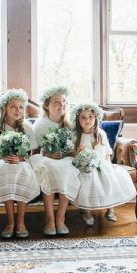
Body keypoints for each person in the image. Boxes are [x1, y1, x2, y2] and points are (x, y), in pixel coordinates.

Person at [0, 89, 40, 239]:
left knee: (22, 171)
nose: (17, 110)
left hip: (21, 161)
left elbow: (33, 153)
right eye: (13, 106)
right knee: (5, 171)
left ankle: (21, 222)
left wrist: (20, 159)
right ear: (4, 108)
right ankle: (10, 221)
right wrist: (1, 157)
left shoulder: (27, 127)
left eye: (21, 107)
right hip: (0, 161)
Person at [71, 103, 137, 225]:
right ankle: (85, 209)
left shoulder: (100, 133)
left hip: (101, 163)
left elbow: (107, 152)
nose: (87, 120)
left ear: (96, 118)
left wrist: (106, 164)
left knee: (110, 176)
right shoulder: (76, 135)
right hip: (84, 166)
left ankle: (110, 208)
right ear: (77, 119)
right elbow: (71, 155)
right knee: (87, 178)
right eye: (83, 117)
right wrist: (77, 152)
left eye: (90, 116)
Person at [29, 86, 80, 236]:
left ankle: (60, 218)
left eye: (64, 101)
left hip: (66, 159)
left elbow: (74, 150)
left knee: (67, 168)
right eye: (56, 102)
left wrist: (66, 154)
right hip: (46, 159)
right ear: (46, 105)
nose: (61, 105)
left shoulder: (70, 125)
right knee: (48, 169)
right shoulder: (40, 124)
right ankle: (50, 219)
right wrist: (48, 155)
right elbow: (34, 152)